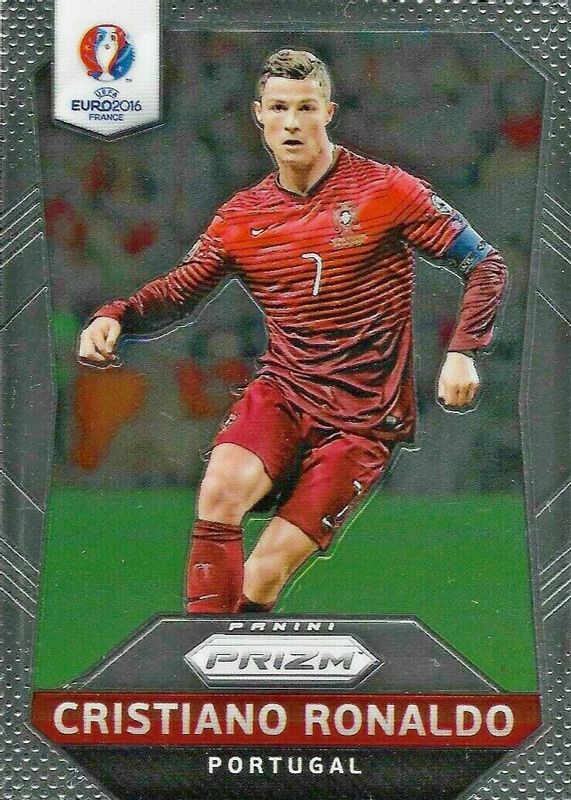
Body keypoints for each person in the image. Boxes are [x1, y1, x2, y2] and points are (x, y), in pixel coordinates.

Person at [79, 49, 507, 615]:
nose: (292, 122)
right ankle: (198, 657)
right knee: (220, 489)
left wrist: (463, 351)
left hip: (363, 420)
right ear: (259, 114)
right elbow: (180, 291)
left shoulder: (386, 190)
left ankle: (234, 653)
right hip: (285, 390)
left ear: (328, 112)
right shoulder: (241, 217)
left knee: (262, 575)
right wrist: (116, 314)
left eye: (306, 107)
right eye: (279, 108)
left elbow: (485, 264)